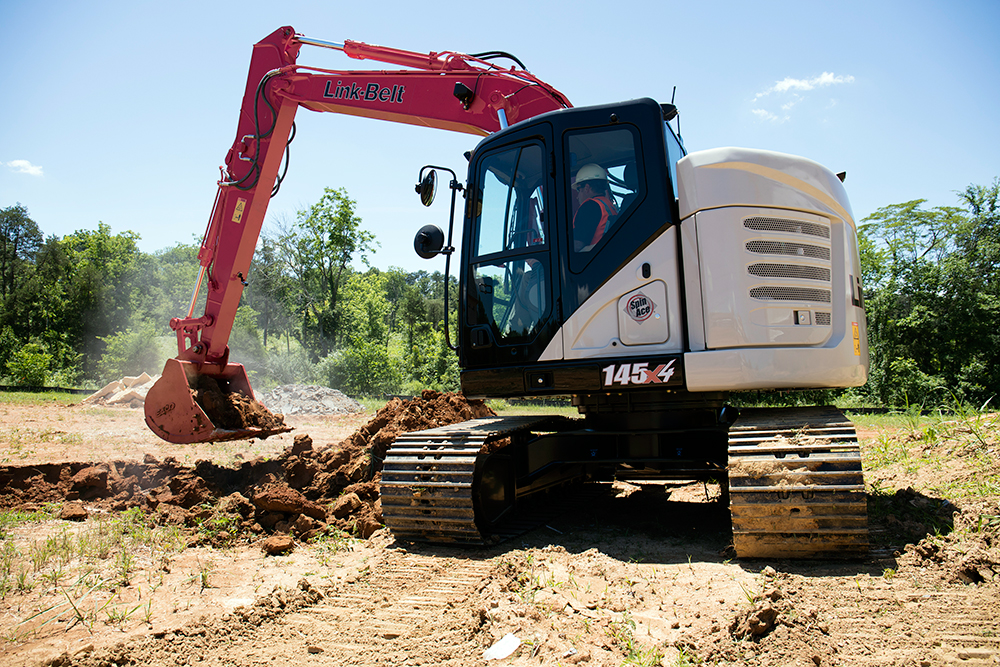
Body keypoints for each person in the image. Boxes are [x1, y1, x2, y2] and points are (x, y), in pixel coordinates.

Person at [572, 164, 618, 252]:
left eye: (578, 190)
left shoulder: (589, 206)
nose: (577, 196)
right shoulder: (609, 206)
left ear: (587, 188)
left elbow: (577, 245)